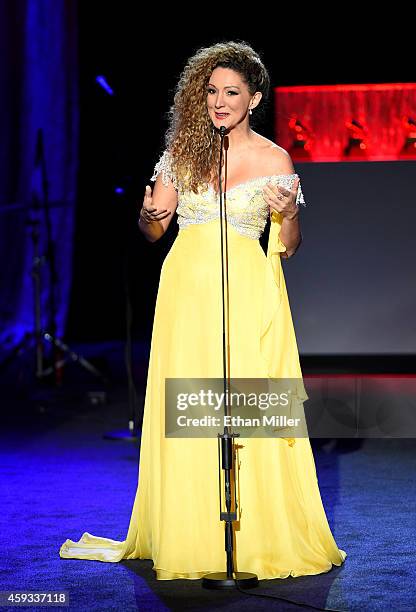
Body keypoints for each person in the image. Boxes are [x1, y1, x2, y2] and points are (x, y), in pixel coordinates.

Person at [59, 41, 346, 580]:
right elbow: (154, 230)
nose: (218, 102)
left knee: (248, 406)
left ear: (254, 98)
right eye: (210, 91)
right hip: (185, 291)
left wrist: (287, 217)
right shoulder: (180, 152)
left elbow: (291, 241)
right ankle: (192, 534)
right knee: (189, 405)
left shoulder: (274, 159)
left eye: (230, 92)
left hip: (246, 289)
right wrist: (147, 215)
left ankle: (254, 536)